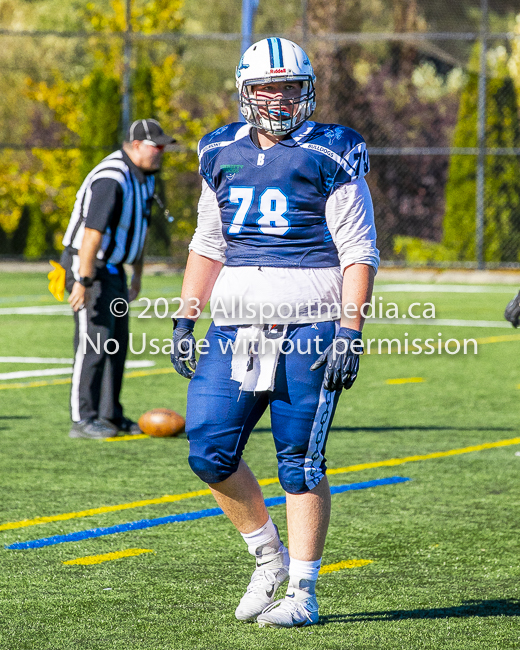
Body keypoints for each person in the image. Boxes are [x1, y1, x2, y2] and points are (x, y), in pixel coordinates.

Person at [171, 38, 379, 628]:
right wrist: (187, 315)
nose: (279, 97)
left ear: (307, 88)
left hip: (311, 322)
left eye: (290, 86)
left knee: (299, 463)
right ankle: (269, 559)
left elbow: (358, 250)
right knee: (209, 448)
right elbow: (209, 242)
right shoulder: (219, 148)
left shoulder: (334, 149)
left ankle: (305, 594)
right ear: (245, 89)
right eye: (267, 86)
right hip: (238, 324)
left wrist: (349, 329)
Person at [61, 119, 175, 439]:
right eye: (157, 147)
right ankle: (83, 418)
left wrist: (136, 275)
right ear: (136, 145)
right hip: (89, 266)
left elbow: (140, 230)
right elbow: (92, 233)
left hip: (114, 270)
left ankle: (111, 415)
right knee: (93, 343)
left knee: (116, 344)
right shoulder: (112, 177)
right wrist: (82, 280)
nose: (161, 153)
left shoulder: (144, 179)